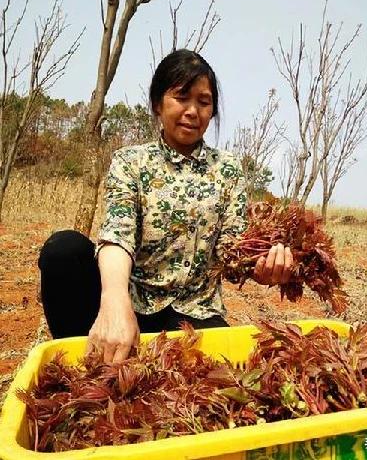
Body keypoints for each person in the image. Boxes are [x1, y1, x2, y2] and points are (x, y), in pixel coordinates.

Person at [38, 49, 293, 364]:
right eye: (181, 97)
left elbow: (232, 249)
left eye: (203, 102)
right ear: (158, 103)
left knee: (210, 382)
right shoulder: (132, 162)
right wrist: (115, 302)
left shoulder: (226, 169)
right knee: (63, 250)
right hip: (132, 305)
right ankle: (81, 364)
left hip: (194, 312)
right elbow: (118, 235)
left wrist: (262, 268)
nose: (192, 111)